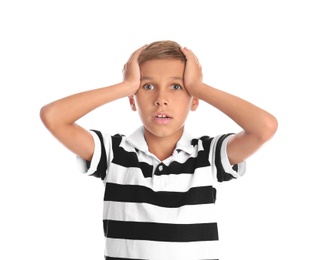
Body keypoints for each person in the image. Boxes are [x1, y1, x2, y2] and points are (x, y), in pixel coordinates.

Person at [40, 40, 278, 260]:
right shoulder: (113, 153)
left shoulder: (208, 155)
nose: (161, 99)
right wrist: (126, 86)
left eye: (176, 86)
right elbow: (53, 117)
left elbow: (264, 128)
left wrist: (198, 87)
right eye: (148, 86)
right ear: (132, 100)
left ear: (194, 100)